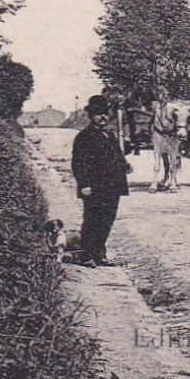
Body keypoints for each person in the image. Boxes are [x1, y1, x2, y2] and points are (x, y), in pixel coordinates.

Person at [71, 94, 130, 266]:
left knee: (106, 221)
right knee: (92, 220)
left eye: (105, 113)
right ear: (91, 116)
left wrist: (125, 165)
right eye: (98, 113)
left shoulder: (109, 135)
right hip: (94, 187)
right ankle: (86, 255)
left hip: (112, 187)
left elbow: (117, 156)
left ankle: (99, 254)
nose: (102, 117)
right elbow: (78, 163)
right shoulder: (84, 137)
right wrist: (84, 184)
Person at [149, 86, 183, 193]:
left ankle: (172, 181)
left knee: (173, 159)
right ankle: (154, 182)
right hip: (158, 133)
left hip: (171, 135)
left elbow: (180, 115)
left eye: (161, 94)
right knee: (157, 160)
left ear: (165, 95)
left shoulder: (172, 106)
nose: (160, 97)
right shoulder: (156, 107)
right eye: (158, 94)